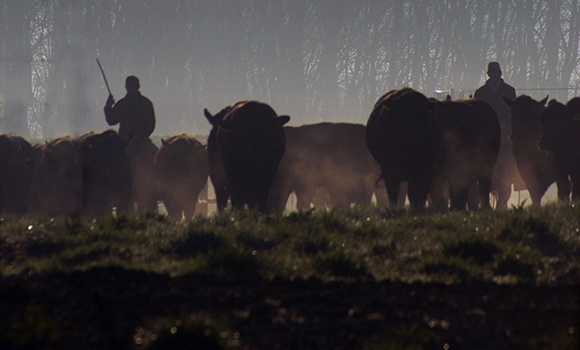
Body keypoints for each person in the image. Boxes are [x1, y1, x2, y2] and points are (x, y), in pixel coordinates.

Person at [103, 75, 158, 212]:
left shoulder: (146, 103)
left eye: (133, 85)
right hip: (124, 143)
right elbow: (112, 120)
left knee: (157, 156)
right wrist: (108, 107)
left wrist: (141, 135)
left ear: (138, 87)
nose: (130, 88)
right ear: (126, 87)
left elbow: (151, 123)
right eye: (129, 86)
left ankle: (158, 188)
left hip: (142, 141)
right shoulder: (121, 104)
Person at [474, 62, 524, 209]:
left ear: (500, 73)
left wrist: (505, 124)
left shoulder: (509, 91)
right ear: (488, 74)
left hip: (505, 128)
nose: (494, 74)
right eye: (491, 72)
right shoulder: (480, 92)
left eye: (496, 72)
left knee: (515, 152)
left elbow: (513, 112)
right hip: (486, 129)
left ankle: (518, 176)